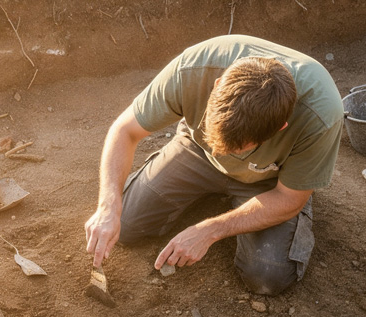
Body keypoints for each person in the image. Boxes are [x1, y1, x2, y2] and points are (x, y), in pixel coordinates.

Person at [85, 35, 343, 295]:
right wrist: (108, 207)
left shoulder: (320, 115)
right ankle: (210, 185)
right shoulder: (193, 70)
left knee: (267, 275)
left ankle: (244, 200)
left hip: (269, 180)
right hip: (197, 149)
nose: (224, 154)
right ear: (216, 86)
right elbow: (124, 130)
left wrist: (210, 230)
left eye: (239, 148)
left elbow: (289, 198)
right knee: (126, 225)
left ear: (279, 128)